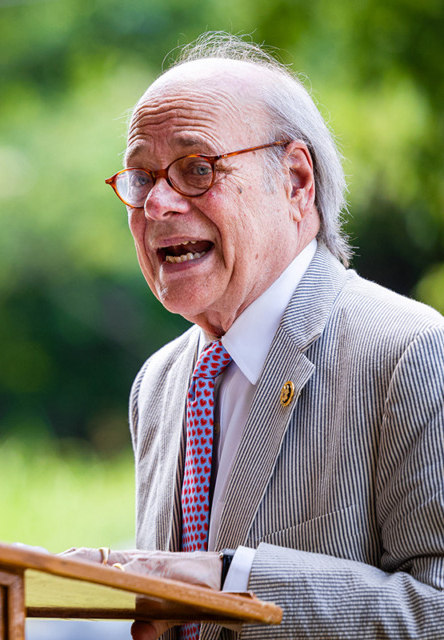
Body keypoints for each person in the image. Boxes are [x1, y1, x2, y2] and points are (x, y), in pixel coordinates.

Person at [63, 32, 444, 639]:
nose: (158, 203)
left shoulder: (413, 351)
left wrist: (235, 582)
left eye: (195, 168)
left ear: (295, 182)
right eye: (140, 177)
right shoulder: (158, 383)